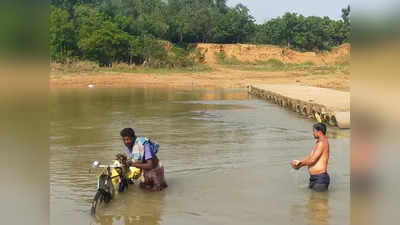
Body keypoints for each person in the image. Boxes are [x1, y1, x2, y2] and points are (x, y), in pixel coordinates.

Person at [291, 123, 330, 192]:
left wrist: (300, 165)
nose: (313, 133)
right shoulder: (318, 142)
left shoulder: (322, 143)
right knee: (314, 201)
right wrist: (299, 162)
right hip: (315, 178)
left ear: (319, 132)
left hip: (320, 179)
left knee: (318, 201)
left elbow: (312, 160)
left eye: (314, 131)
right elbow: (310, 157)